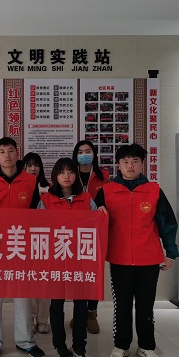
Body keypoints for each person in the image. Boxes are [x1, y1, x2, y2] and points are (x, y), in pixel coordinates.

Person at [95, 144, 178, 357]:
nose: (130, 166)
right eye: (125, 162)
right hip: (119, 259)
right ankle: (121, 345)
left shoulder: (153, 190)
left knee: (145, 305)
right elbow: (92, 223)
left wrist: (171, 252)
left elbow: (167, 223)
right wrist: (98, 213)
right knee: (121, 305)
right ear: (118, 165)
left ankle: (146, 347)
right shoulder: (107, 191)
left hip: (148, 259)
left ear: (142, 164)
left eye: (135, 161)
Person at [0, 137, 45, 357]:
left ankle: (25, 341)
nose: (7, 155)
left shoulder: (30, 180)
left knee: (23, 294)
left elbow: (37, 214)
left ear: (17, 154)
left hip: (21, 244)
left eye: (10, 151)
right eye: (2, 151)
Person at [38, 158, 106, 357]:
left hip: (80, 259)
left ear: (76, 175)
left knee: (80, 303)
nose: (66, 176)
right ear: (55, 176)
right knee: (56, 304)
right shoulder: (46, 200)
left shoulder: (86, 199)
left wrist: (101, 213)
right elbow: (39, 228)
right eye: (61, 172)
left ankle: (79, 345)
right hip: (56, 259)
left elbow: (97, 224)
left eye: (70, 172)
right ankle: (60, 345)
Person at [70, 139, 110, 334]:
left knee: (94, 273)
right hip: (74, 230)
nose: (84, 155)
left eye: (88, 151)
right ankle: (78, 313)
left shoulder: (104, 176)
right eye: (80, 152)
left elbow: (109, 202)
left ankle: (92, 313)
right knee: (77, 273)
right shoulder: (70, 174)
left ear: (94, 154)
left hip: (96, 230)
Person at [23, 152, 51, 334]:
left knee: (44, 282)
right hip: (24, 240)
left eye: (36, 165)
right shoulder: (21, 187)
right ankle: (31, 318)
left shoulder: (50, 188)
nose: (33, 168)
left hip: (45, 241)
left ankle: (43, 319)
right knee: (29, 282)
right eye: (29, 165)